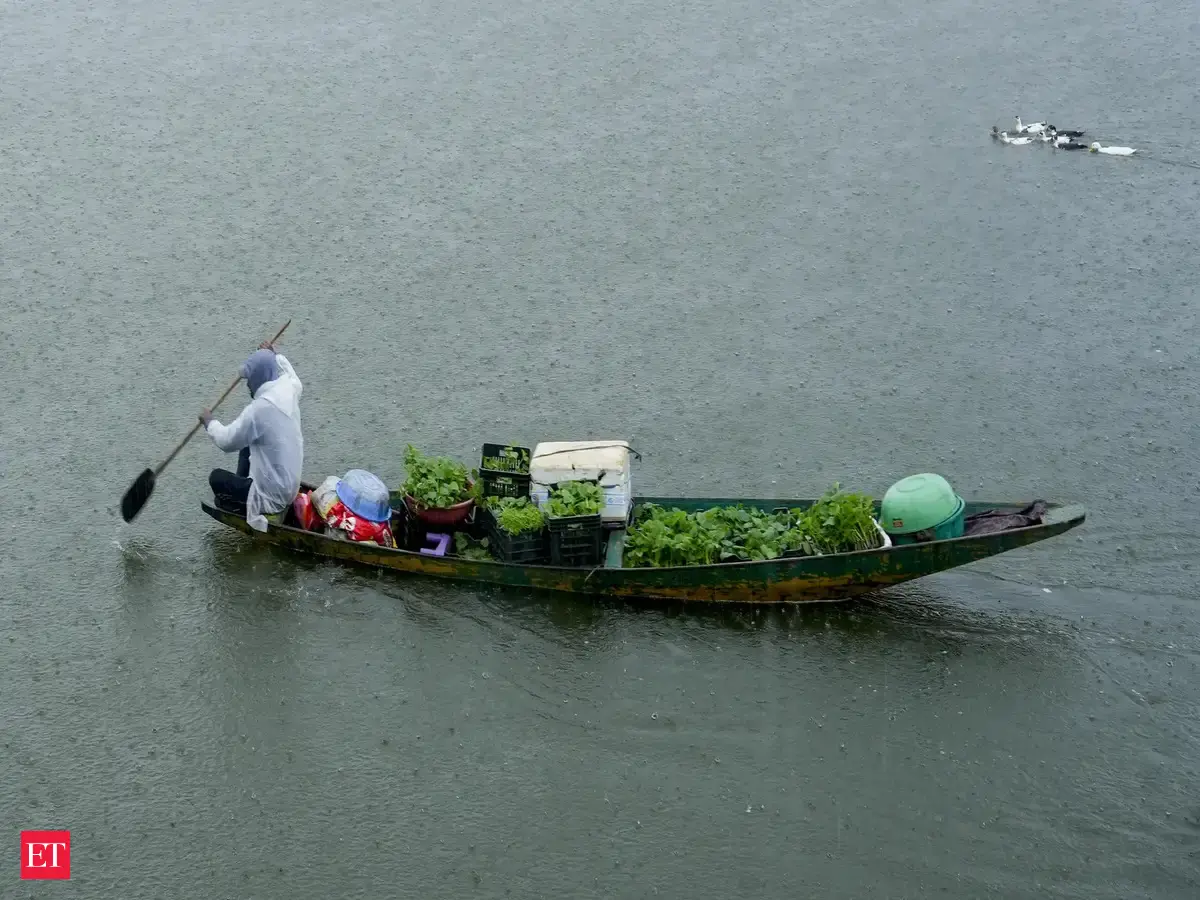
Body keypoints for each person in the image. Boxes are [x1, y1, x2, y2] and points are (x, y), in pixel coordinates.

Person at [201, 341, 304, 532]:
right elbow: (290, 374)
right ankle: (245, 489)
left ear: (257, 379)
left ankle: (248, 506)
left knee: (216, 479)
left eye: (249, 379)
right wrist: (276, 356)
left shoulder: (258, 411)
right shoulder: (289, 388)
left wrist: (210, 423)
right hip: (290, 487)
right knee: (247, 446)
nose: (247, 384)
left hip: (272, 497)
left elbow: (226, 441)